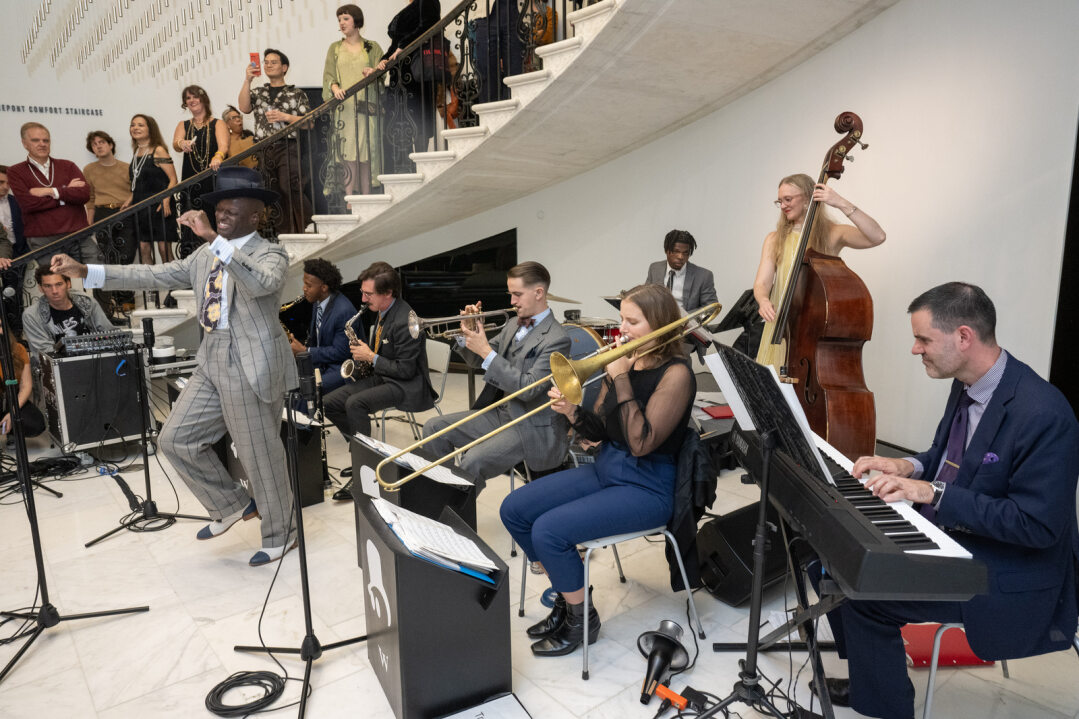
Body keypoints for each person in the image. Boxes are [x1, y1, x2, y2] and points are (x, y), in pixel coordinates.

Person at [814, 282, 1079, 719]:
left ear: (963, 337)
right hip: (959, 535)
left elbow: (1037, 526)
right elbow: (945, 457)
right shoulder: (968, 382)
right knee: (829, 555)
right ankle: (873, 672)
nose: (915, 350)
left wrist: (933, 491)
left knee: (862, 592)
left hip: (1012, 570)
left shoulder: (1044, 414)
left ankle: (885, 705)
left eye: (923, 339)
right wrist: (910, 468)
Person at [51, 166, 300, 566]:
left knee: (259, 455)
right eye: (219, 211)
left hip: (249, 362)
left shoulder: (269, 252)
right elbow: (151, 273)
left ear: (255, 216)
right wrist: (86, 272)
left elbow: (262, 285)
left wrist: (213, 238)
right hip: (212, 357)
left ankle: (281, 532)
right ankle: (232, 504)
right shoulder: (205, 255)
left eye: (232, 212)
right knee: (175, 440)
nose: (222, 217)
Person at [500, 283, 696, 656]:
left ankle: (580, 619)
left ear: (658, 323)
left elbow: (641, 442)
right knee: (514, 510)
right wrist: (573, 413)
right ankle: (568, 594)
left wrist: (621, 376)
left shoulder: (677, 373)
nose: (621, 328)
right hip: (608, 469)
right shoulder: (626, 360)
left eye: (632, 321)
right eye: (621, 317)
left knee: (549, 531)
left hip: (648, 486)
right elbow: (602, 431)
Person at [420, 261, 570, 494]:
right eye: (510, 294)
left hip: (530, 425)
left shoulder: (557, 338)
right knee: (433, 428)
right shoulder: (513, 324)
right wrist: (467, 333)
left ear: (539, 293)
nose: (511, 302)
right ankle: (440, 497)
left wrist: (486, 351)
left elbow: (529, 388)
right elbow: (478, 360)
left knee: (473, 461)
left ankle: (456, 517)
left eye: (517, 294)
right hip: (503, 413)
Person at [324, 261, 435, 500]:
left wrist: (371, 357)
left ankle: (365, 468)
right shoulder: (383, 312)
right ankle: (361, 452)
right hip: (384, 376)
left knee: (355, 404)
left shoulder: (406, 321)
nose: (363, 299)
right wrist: (368, 359)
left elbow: (405, 370)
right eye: (362, 292)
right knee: (329, 402)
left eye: (368, 294)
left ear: (388, 293)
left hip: (407, 384)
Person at [752, 173, 885, 353]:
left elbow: (877, 237)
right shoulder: (774, 239)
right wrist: (763, 300)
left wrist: (840, 202)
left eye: (788, 199)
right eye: (779, 201)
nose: (783, 206)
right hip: (782, 325)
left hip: (817, 324)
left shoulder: (833, 233)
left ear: (807, 198)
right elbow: (762, 283)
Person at [238, 48, 312, 235]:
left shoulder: (296, 93)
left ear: (284, 67)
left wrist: (285, 117)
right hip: (263, 148)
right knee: (273, 192)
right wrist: (247, 80)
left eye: (274, 62)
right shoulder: (258, 92)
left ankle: (307, 229)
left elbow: (309, 123)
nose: (269, 65)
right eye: (266, 62)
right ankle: (285, 234)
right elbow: (244, 107)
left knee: (291, 187)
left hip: (287, 145)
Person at [6, 122, 102, 268]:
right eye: (35, 140)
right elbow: (28, 204)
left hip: (77, 234)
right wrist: (65, 194)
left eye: (46, 140)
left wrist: (50, 191)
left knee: (98, 274)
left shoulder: (67, 165)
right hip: (43, 239)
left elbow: (83, 195)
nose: (42, 144)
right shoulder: (15, 171)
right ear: (24, 143)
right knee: (55, 284)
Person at [323, 4, 384, 196]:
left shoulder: (372, 47)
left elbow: (382, 75)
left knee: (365, 153)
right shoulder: (335, 48)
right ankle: (349, 199)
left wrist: (373, 72)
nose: (341, 23)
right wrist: (335, 88)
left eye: (346, 18)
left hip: (365, 106)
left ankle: (366, 197)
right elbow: (329, 75)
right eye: (339, 20)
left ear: (356, 20)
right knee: (347, 154)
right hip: (345, 109)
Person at [377, 0, 441, 172]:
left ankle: (422, 169)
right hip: (400, 78)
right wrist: (382, 61)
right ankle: (408, 170)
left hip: (418, 74)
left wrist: (404, 46)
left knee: (420, 121)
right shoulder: (409, 8)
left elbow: (428, 26)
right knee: (401, 125)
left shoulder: (429, 2)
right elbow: (395, 45)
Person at [173, 85, 230, 258]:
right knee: (190, 221)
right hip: (190, 180)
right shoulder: (183, 124)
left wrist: (218, 156)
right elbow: (176, 144)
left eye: (194, 97)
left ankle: (218, 257)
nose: (192, 101)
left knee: (212, 219)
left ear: (203, 99)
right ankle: (193, 260)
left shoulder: (217, 123)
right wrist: (182, 143)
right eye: (188, 98)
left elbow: (224, 146)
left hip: (211, 178)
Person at [289, 257, 358, 396]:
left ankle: (309, 416)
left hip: (342, 368)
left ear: (324, 287)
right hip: (323, 364)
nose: (304, 289)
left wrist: (305, 350)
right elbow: (317, 340)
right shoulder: (318, 302)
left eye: (308, 285)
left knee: (305, 390)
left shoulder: (343, 311)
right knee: (288, 382)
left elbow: (341, 352)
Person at [18, 265, 114, 357]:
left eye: (59, 284)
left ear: (68, 284)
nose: (54, 291)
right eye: (48, 286)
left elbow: (109, 333)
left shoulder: (87, 302)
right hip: (61, 367)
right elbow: (45, 355)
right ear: (40, 288)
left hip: (95, 359)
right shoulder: (32, 315)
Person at [123, 114, 178, 266]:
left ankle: (174, 286)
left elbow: (173, 179)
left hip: (160, 206)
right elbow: (139, 183)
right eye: (133, 125)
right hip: (141, 208)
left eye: (140, 125)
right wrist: (129, 200)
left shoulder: (158, 150)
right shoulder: (136, 153)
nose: (135, 128)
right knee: (144, 248)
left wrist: (166, 199)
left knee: (163, 249)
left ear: (150, 129)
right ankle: (153, 288)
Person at [645, 229, 717, 314]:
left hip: (687, 324)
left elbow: (711, 308)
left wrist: (683, 318)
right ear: (666, 251)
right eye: (676, 251)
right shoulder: (655, 268)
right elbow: (646, 298)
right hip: (658, 323)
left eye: (685, 253)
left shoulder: (704, 276)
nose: (681, 257)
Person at [0, 319, 46, 440]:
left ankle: (11, 432)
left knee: (36, 424)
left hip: (11, 396)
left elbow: (26, 385)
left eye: (0, 326)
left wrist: (12, 413)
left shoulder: (18, 349)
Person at [0, 166, 28, 335]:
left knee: (15, 294)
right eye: (1, 182)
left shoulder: (17, 201)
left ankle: (17, 334)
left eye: (8, 183)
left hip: (17, 253)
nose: (5, 186)